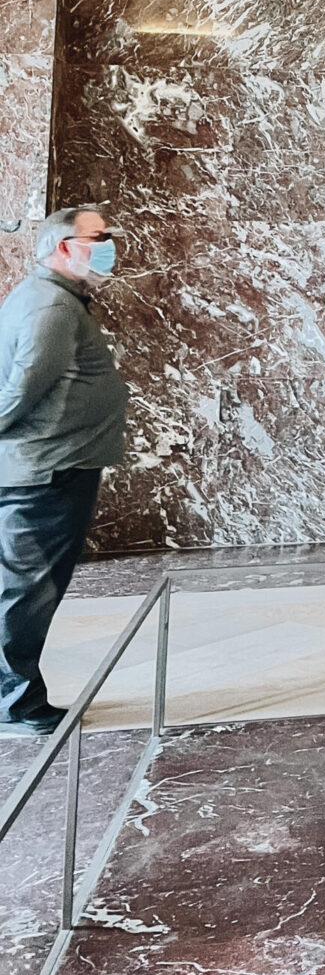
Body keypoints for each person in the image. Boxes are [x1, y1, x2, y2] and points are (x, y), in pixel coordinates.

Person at [0, 206, 127, 735]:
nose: (109, 245)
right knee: (26, 593)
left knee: (27, 589)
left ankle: (16, 699)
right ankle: (15, 705)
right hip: (46, 475)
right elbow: (19, 392)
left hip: (53, 468)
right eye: (98, 236)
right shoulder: (51, 306)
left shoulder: (52, 298)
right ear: (63, 247)